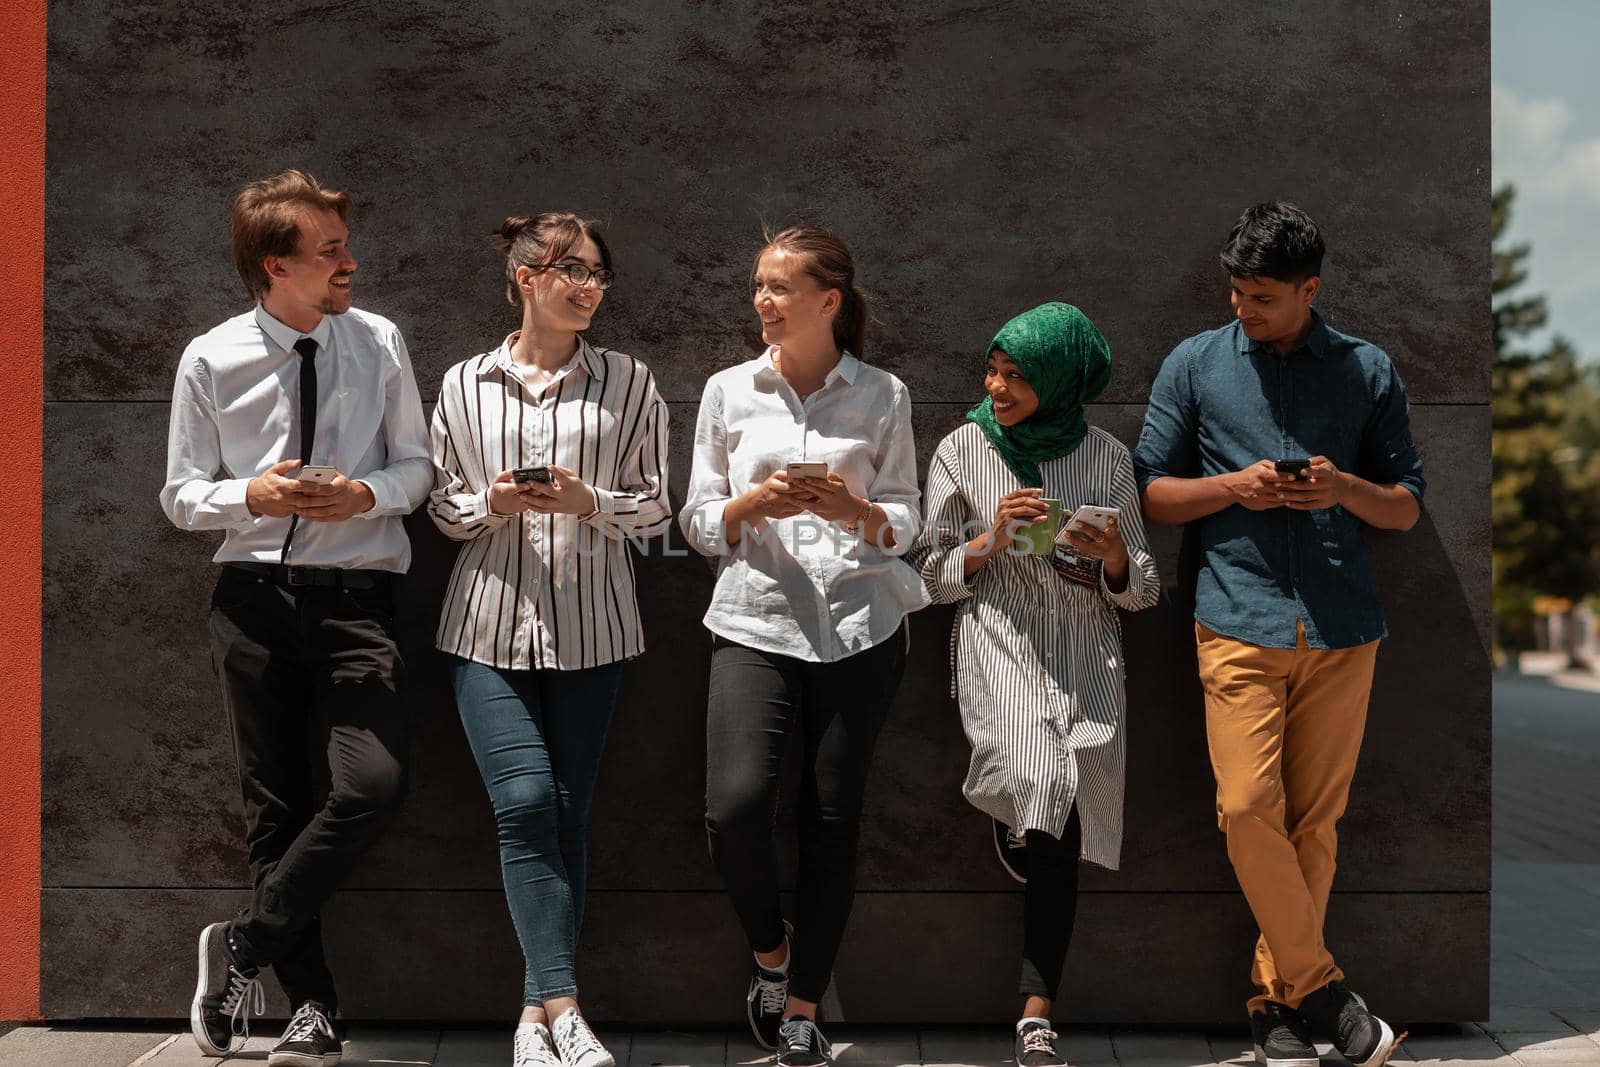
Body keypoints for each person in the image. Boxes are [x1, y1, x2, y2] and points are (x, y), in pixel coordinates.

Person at [1132, 202, 1424, 1067]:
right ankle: (1328, 989)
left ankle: (1278, 1004)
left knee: (1316, 829)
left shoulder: (1367, 370)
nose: (1241, 309)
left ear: (1310, 289)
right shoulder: (1195, 364)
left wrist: (1342, 488)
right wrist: (1234, 487)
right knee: (1249, 807)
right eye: (1234, 291)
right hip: (1235, 618)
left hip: (1343, 626)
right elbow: (1151, 493)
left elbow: (1406, 505)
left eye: (1260, 296)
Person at [160, 169, 432, 1065]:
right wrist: (253, 492)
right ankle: (311, 1005)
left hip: (358, 602)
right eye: (330, 252)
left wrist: (362, 493)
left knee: (370, 784)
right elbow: (182, 495)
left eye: (344, 246)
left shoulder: (380, 340)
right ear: (277, 266)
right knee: (274, 806)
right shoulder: (211, 356)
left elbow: (418, 470)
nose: (349, 262)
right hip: (252, 601)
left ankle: (242, 944)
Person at [680, 226, 928, 1067]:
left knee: (833, 821)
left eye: (781, 287)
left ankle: (803, 1011)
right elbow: (698, 521)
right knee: (735, 808)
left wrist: (850, 511)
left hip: (861, 627)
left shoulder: (883, 394)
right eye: (759, 284)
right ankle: (770, 953)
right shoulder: (728, 391)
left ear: (829, 301)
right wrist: (756, 504)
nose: (763, 300)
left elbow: (907, 519)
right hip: (755, 619)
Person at [428, 213, 670, 1067]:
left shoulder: (631, 382)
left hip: (593, 629)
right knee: (526, 800)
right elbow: (443, 506)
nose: (591, 287)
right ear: (527, 275)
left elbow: (656, 508)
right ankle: (567, 1005)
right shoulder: (463, 383)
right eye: (574, 270)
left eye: (600, 274)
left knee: (567, 816)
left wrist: (588, 503)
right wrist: (491, 502)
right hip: (484, 627)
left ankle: (535, 1018)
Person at [910, 302, 1158, 1066]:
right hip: (1001, 639)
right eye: (994, 369)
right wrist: (987, 541)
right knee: (1043, 775)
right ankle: (1022, 810)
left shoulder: (1109, 459)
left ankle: (1035, 1014)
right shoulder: (962, 447)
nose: (1000, 386)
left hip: (1086, 649)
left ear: (1060, 378)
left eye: (1019, 375)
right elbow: (929, 574)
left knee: (1065, 812)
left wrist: (1112, 552)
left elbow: (1143, 587)